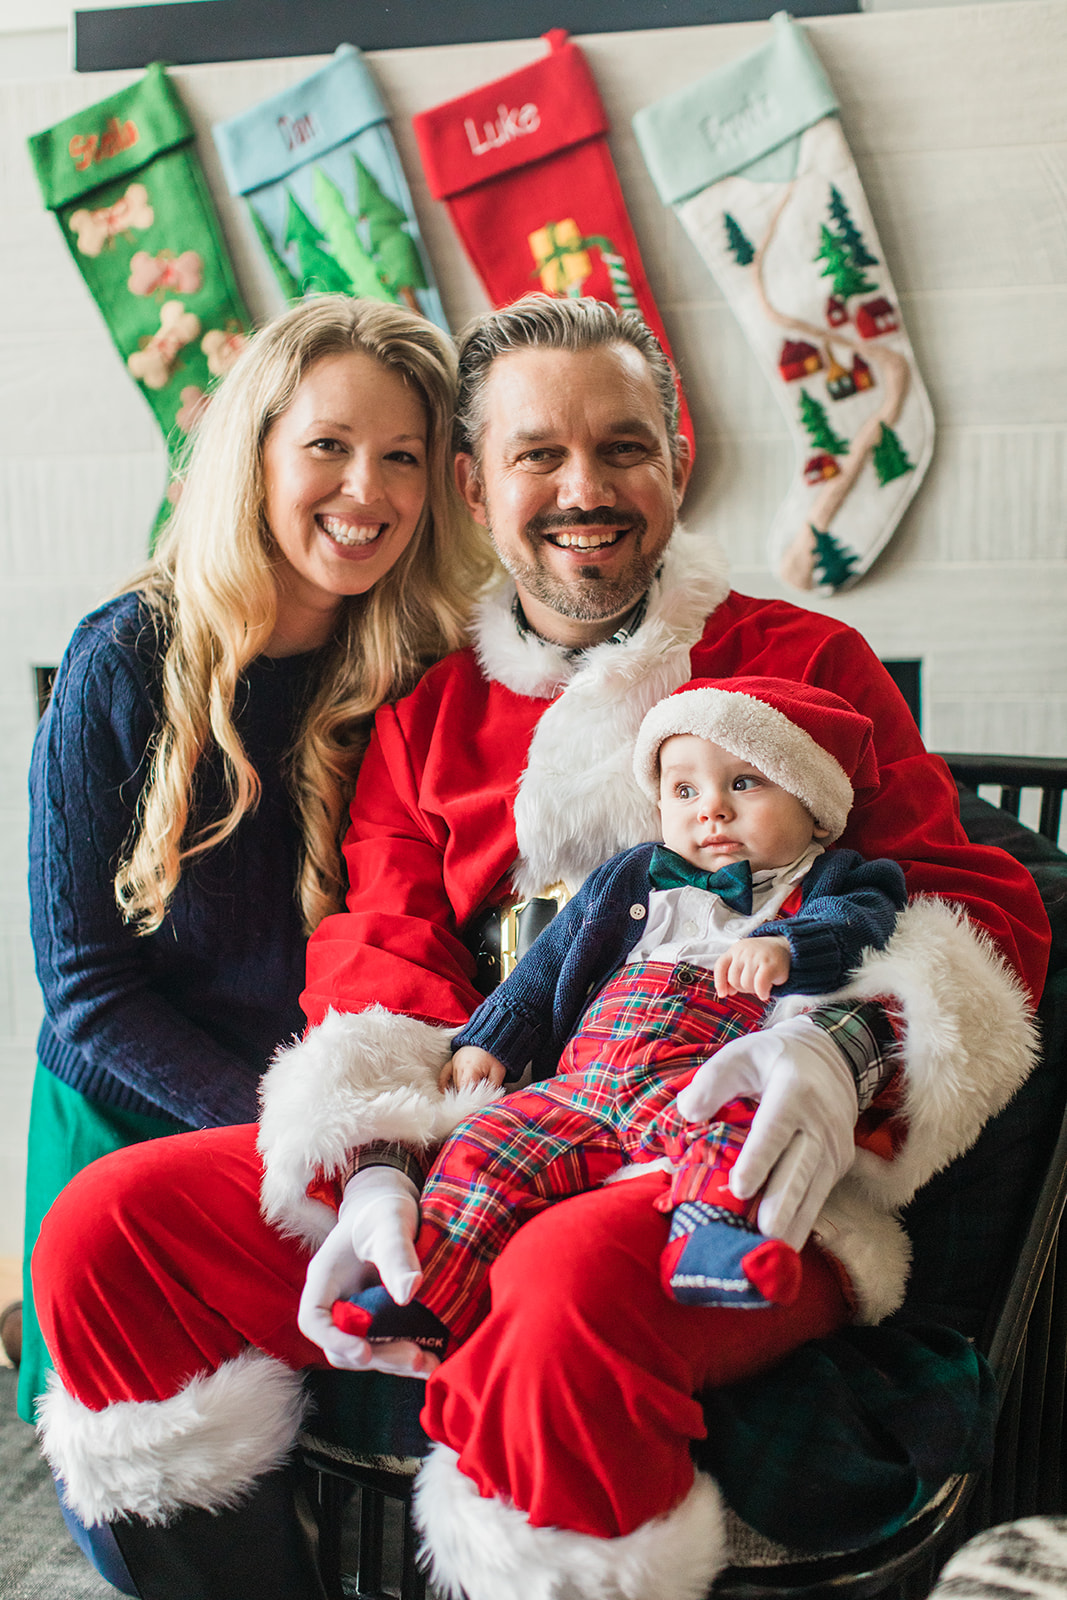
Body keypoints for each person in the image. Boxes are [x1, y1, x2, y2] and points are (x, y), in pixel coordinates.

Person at [31, 296, 1046, 1600]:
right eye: (537, 456)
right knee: (108, 1230)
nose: (585, 489)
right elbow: (378, 945)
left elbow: (975, 911)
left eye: (622, 447)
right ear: (472, 483)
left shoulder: (803, 663)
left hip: (716, 1164)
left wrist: (847, 1057)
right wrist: (378, 1156)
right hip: (489, 1140)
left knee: (561, 1282)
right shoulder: (426, 714)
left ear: (675, 460)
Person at [20, 291, 488, 1572]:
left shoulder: (421, 663)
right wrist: (297, 1149)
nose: (367, 489)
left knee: (356, 1491)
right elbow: (88, 997)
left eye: (401, 456)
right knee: (163, 1521)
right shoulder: (128, 657)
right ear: (258, 453)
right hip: (143, 1116)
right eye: (329, 446)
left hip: (350, 1131)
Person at [338, 675, 908, 1363]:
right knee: (481, 1146)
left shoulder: (835, 877)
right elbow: (546, 965)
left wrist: (789, 948)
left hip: (701, 1073)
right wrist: (493, 1038)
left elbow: (863, 929)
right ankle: (426, 1294)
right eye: (685, 791)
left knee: (744, 1131)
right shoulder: (634, 874)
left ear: (814, 809)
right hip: (585, 1078)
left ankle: (713, 1242)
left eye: (744, 785)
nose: (712, 813)